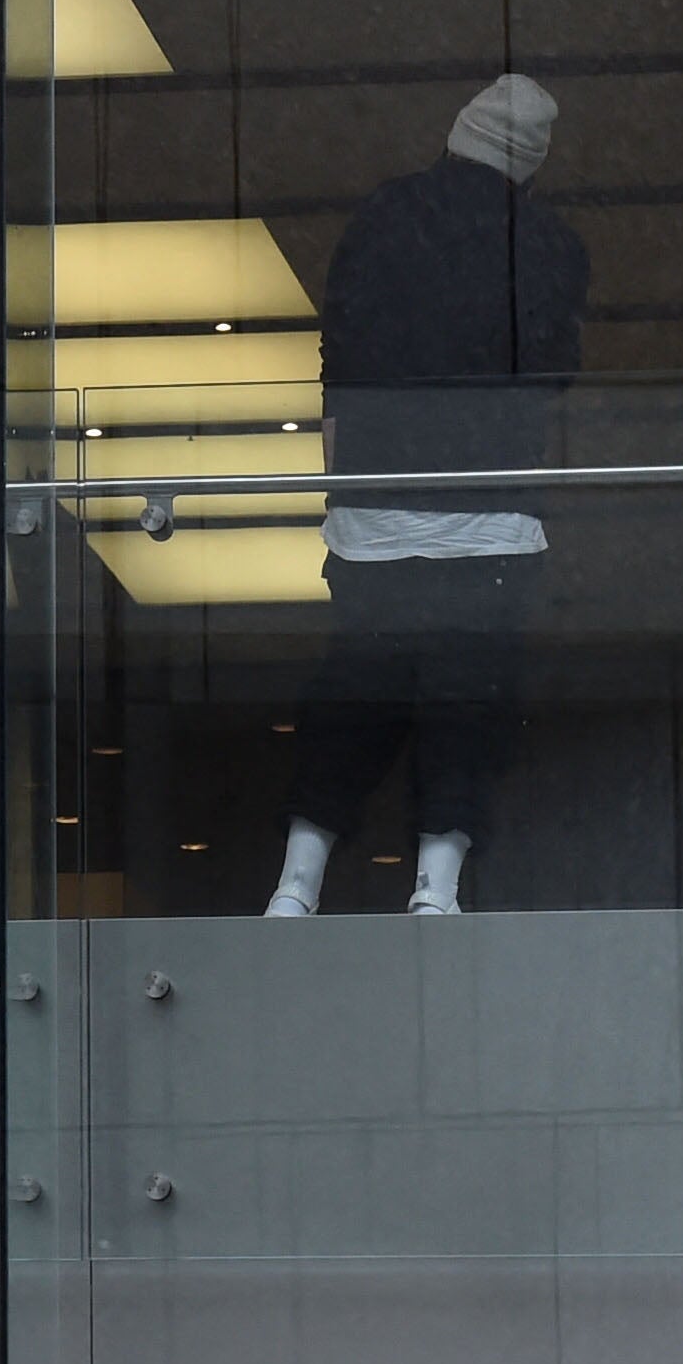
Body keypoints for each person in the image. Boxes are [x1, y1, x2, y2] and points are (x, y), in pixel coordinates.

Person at [269, 73, 585, 921]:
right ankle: (435, 887)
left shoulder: (380, 218)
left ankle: (296, 883)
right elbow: (554, 375)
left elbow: (337, 363)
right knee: (465, 707)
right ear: (533, 162)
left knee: (355, 696)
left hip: (374, 512)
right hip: (490, 518)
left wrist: (338, 489)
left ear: (457, 133)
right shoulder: (549, 244)